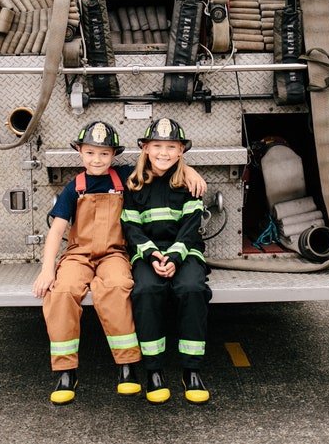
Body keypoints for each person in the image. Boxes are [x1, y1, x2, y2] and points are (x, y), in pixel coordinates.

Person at [32, 120, 206, 405]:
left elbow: (161, 163)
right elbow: (57, 230)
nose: (97, 159)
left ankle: (127, 367)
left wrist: (190, 169)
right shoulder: (72, 188)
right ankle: (66, 372)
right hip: (78, 254)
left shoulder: (124, 175)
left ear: (114, 155)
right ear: (79, 152)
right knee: (61, 292)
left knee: (118, 287)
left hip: (114, 253)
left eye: (103, 154)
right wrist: (47, 270)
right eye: (90, 153)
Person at [121, 118, 212, 405]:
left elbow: (190, 226)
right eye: (157, 146)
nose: (164, 152)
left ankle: (191, 370)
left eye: (171, 147)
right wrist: (151, 255)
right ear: (145, 148)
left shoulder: (189, 184)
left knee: (192, 289)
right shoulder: (133, 185)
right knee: (146, 291)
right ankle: (154, 371)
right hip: (148, 253)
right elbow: (131, 227)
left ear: (181, 150)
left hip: (184, 252)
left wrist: (173, 256)